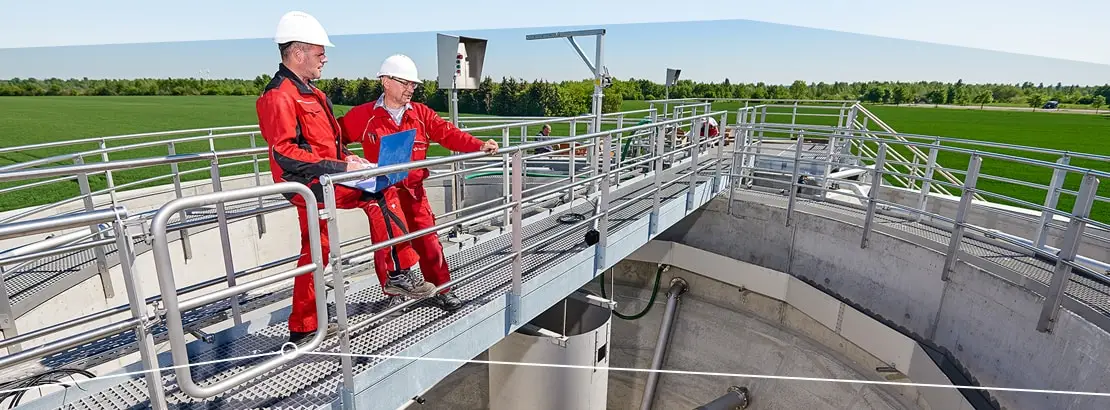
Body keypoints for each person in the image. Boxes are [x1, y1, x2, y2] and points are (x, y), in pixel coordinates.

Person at [256, 13, 435, 344]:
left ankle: (305, 326)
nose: (325, 57)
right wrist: (341, 170)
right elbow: (284, 153)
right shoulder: (279, 95)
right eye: (319, 51)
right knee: (376, 197)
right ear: (297, 53)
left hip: (326, 178)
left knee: (321, 246)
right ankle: (397, 273)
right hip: (307, 184)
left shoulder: (314, 93)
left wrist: (347, 158)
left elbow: (329, 140)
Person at [338, 54, 498, 313]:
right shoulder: (365, 115)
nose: (410, 89)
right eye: (405, 83)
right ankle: (394, 294)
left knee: (428, 241)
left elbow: (448, 133)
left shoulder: (421, 114)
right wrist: (347, 157)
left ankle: (440, 290)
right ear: (386, 81)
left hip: (414, 193)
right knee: (388, 246)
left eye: (414, 85)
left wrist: (478, 145)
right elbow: (335, 136)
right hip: (384, 194)